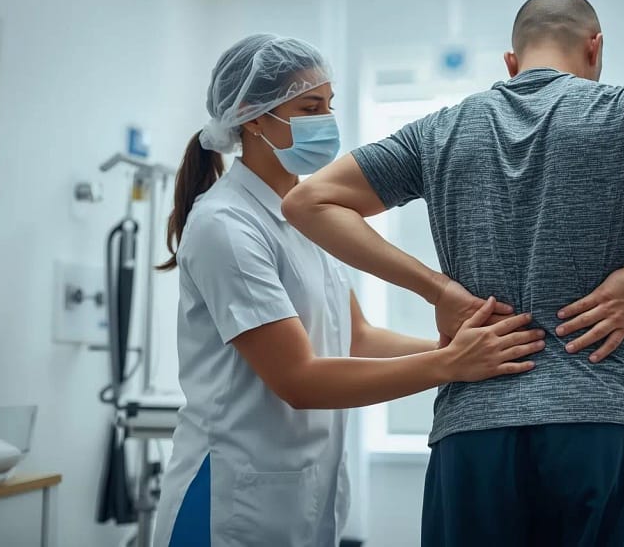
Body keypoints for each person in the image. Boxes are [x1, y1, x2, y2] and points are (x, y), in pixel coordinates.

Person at [283, 0, 624, 547]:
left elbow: (310, 202)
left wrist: (437, 290)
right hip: (599, 420)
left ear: (511, 62)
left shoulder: (439, 131)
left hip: (474, 434)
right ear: (595, 49)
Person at [150, 33, 544, 547]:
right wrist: (451, 366)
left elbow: (355, 335)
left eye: (328, 106)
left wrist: (465, 351)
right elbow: (299, 378)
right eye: (309, 107)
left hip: (299, 494)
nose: (327, 121)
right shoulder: (226, 225)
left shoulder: (301, 217)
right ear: (252, 117)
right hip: (228, 499)